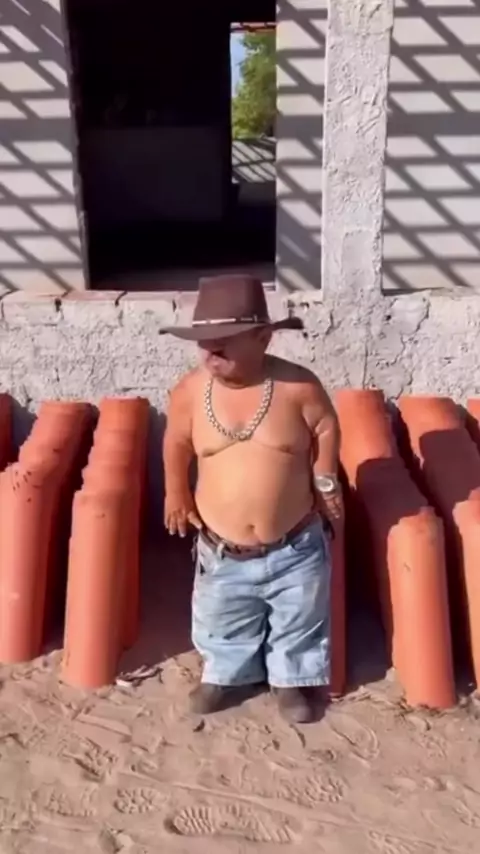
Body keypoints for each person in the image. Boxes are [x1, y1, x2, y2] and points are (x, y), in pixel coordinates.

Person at [161, 275, 342, 724]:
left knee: (300, 615)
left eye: (225, 341)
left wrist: (325, 479)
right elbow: (176, 442)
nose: (211, 351)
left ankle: (290, 680)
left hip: (294, 544)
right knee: (220, 615)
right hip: (222, 548)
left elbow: (326, 427)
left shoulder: (297, 386)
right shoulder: (191, 391)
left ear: (263, 338)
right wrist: (175, 491)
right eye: (204, 342)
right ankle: (226, 674)